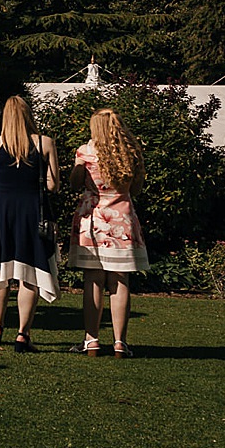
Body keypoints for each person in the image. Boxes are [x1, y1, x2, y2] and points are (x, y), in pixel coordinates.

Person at [0, 95, 62, 352]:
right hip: (30, 210)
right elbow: (53, 185)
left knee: (0, 268)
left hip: (2, 209)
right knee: (29, 271)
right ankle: (22, 334)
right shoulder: (44, 142)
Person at [67, 107, 149, 357]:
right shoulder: (130, 152)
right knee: (120, 281)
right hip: (122, 220)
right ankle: (120, 342)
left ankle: (91, 339)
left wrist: (80, 167)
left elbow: (73, 183)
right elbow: (135, 190)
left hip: (93, 219)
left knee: (93, 280)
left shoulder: (85, 151)